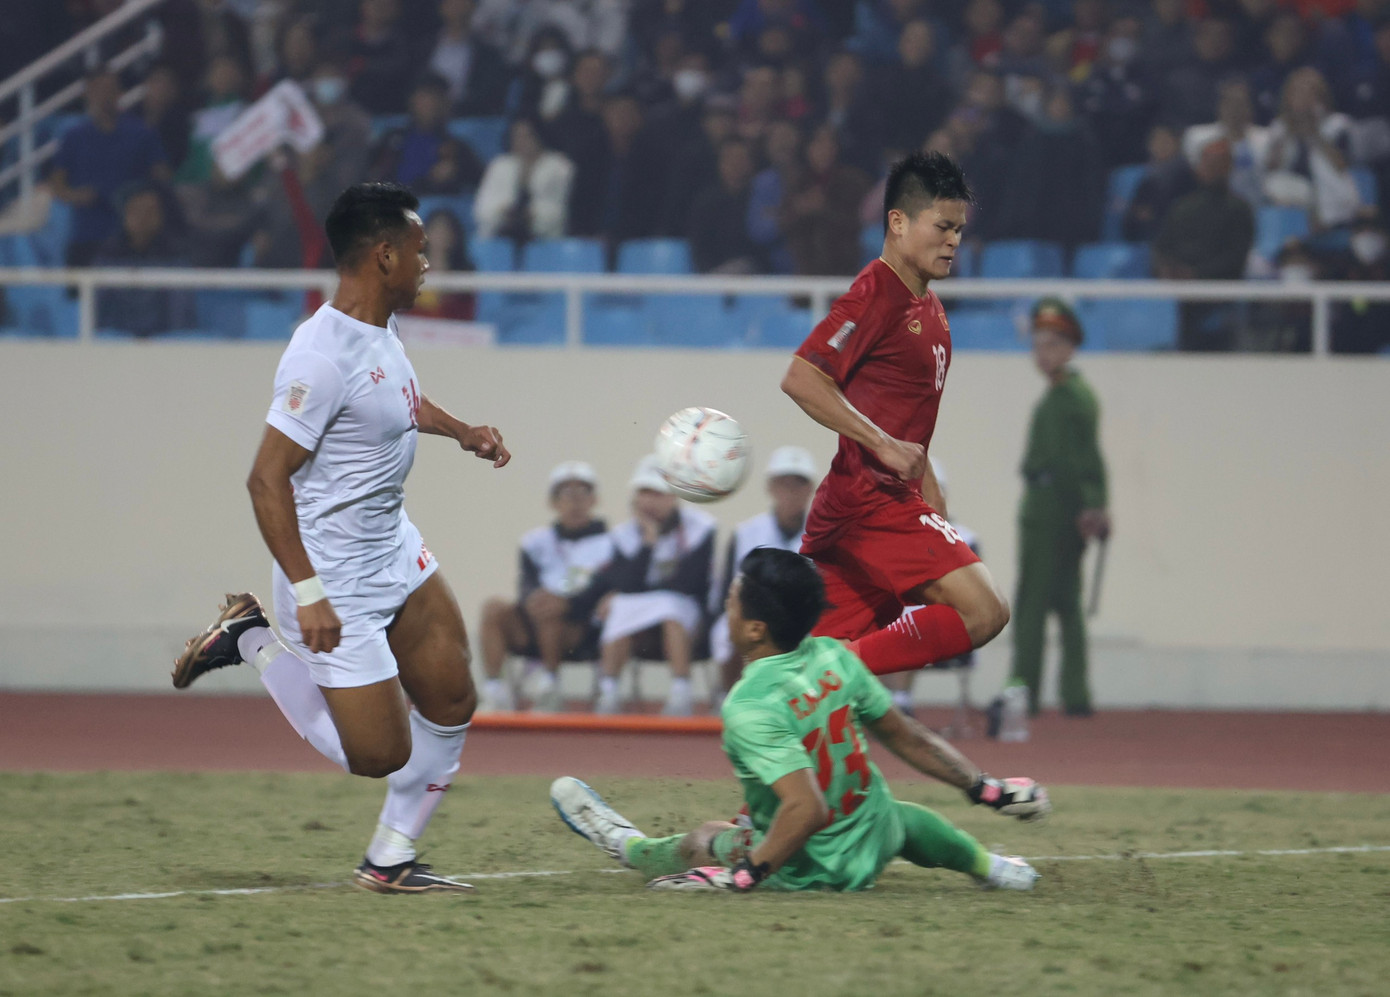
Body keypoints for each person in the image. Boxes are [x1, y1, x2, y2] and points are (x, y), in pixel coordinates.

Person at [170, 182, 511, 894]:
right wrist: (310, 593)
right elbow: (266, 480)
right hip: (331, 577)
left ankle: (388, 861)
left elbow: (400, 401)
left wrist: (463, 432)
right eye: (419, 250)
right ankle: (250, 637)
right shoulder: (319, 355)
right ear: (383, 254)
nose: (427, 263)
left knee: (452, 698)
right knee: (380, 753)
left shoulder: (379, 328)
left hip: (391, 547)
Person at [550, 547, 1048, 893]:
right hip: (873, 833)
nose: (725, 605)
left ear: (754, 628)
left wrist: (746, 875)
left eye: (732, 600)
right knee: (906, 818)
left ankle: (627, 846)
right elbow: (907, 736)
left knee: (705, 838)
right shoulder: (835, 656)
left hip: (813, 865)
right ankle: (996, 868)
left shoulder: (747, 705)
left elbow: (805, 810)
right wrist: (987, 788)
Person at [780, 151, 1010, 681]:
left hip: (860, 508)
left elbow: (909, 425)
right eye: (943, 226)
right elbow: (801, 376)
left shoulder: (928, 308)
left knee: (798, 682)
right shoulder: (875, 293)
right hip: (872, 503)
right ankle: (843, 674)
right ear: (898, 222)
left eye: (959, 229)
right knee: (985, 610)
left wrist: (930, 489)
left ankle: (806, 702)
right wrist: (882, 445)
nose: (954, 240)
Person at [1009, 299, 1109, 717]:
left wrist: (1089, 505)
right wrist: (1094, 504)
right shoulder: (1070, 395)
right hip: (1064, 505)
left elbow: (1079, 460)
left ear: (1070, 348)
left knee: (1033, 599)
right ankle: (1075, 693)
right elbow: (1091, 460)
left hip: (1051, 507)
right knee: (1067, 600)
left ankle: (1022, 691)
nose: (1042, 352)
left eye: (1052, 344)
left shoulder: (1067, 398)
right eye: (1037, 344)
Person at [576, 455, 716, 717]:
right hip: (640, 621)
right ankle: (609, 690)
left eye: (658, 493)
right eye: (644, 493)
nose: (650, 501)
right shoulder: (624, 535)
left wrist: (627, 592)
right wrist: (648, 542)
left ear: (674, 497)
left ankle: (681, 691)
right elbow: (625, 583)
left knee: (669, 608)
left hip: (688, 615)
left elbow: (688, 584)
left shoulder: (701, 528)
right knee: (617, 607)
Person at [477, 461, 613, 712]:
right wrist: (534, 599)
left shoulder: (612, 543)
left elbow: (604, 588)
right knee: (493, 607)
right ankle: (494, 689)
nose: (575, 502)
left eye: (582, 494)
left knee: (552, 612)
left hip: (583, 628)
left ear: (594, 500)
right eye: (566, 494)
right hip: (535, 621)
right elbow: (527, 583)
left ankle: (550, 683)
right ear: (553, 502)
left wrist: (568, 604)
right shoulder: (535, 542)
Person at [709, 446, 819, 699]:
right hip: (753, 612)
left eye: (798, 484)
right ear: (771, 487)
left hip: (807, 617)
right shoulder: (746, 532)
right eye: (783, 484)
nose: (790, 492)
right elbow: (728, 587)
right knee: (726, 630)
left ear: (810, 489)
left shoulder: (824, 535)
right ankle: (730, 696)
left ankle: (814, 705)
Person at [48, 69, 169, 265]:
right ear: (86, 94)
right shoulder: (73, 137)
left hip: (135, 239)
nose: (104, 95)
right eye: (97, 89)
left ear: (120, 92)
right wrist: (76, 195)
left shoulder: (142, 133)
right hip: (87, 235)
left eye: (110, 89)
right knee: (80, 293)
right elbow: (57, 183)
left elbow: (162, 177)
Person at [474, 117, 574, 240]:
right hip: (501, 235)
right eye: (517, 136)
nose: (522, 142)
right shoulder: (499, 165)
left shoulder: (560, 166)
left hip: (546, 239)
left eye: (527, 136)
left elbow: (560, 212)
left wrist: (532, 215)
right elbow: (481, 210)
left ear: (539, 136)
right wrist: (503, 212)